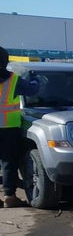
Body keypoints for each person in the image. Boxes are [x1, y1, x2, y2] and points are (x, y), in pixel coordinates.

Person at [0, 46, 40, 208]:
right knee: (9, 162)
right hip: (9, 128)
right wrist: (34, 78)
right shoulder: (13, 79)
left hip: (9, 128)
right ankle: (9, 196)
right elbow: (33, 89)